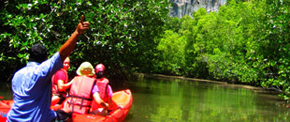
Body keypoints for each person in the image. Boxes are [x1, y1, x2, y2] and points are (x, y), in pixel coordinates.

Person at [7, 15, 90, 122]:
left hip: (12, 118)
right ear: (45, 58)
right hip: (35, 120)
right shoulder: (42, 71)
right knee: (68, 116)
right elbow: (63, 53)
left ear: (29, 57)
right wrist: (77, 33)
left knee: (58, 113)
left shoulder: (17, 75)